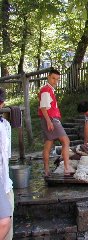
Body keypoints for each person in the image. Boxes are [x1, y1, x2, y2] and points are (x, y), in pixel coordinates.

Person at [38, 69, 74, 176]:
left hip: (49, 119)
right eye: (53, 78)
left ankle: (46, 171)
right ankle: (67, 168)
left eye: (57, 79)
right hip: (51, 119)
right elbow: (43, 107)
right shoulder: (46, 90)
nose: (55, 81)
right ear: (48, 77)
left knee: (48, 144)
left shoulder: (49, 90)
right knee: (66, 141)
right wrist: (49, 121)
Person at [0, 87, 14, 240]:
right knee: (5, 222)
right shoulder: (4, 126)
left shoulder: (5, 125)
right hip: (3, 183)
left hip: (4, 181)